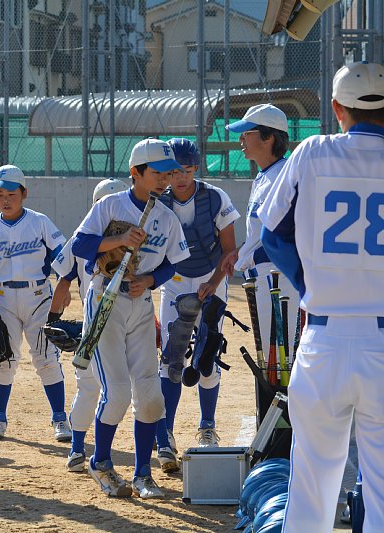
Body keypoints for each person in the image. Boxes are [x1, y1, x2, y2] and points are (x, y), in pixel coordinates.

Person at [257, 62, 384, 533]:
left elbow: (272, 236)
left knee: (312, 487)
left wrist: (310, 284)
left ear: (335, 108)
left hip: (324, 338)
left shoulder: (311, 153)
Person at [72, 138, 189, 499]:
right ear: (135, 172)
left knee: (150, 395)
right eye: (157, 173)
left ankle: (143, 475)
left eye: (169, 174)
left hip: (141, 303)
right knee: (118, 392)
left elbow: (173, 263)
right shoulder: (110, 205)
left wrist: (150, 280)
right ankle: (101, 462)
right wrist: (119, 239)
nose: (165, 180)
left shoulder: (167, 217)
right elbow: (79, 245)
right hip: (106, 298)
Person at [154, 138, 239, 473]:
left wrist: (213, 283)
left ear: (196, 169)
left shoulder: (215, 197)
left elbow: (229, 250)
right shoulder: (159, 200)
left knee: (207, 355)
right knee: (171, 358)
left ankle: (207, 426)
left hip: (210, 278)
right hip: (174, 281)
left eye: (188, 171)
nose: (181, 178)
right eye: (175, 171)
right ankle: (165, 434)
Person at [0, 165, 69, 442]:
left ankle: (60, 419)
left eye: (11, 194)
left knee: (46, 358)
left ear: (24, 193)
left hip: (39, 298)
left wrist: (63, 285)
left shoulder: (39, 222)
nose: (5, 200)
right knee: (3, 359)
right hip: (3, 300)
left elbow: (61, 255)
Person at [49, 178, 129, 473]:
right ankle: (77, 448)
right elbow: (63, 281)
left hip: (121, 319)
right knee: (93, 386)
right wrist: (52, 320)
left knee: (123, 384)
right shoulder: (84, 238)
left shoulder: (130, 236)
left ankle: (79, 448)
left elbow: (64, 281)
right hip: (98, 319)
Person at [221, 104, 301, 360]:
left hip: (280, 281)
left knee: (281, 360)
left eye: (247, 133)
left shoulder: (285, 176)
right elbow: (262, 232)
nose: (241, 139)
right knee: (269, 360)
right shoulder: (265, 176)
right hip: (263, 279)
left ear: (269, 138)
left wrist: (252, 256)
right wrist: (241, 251)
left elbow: (292, 236)